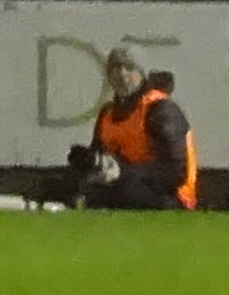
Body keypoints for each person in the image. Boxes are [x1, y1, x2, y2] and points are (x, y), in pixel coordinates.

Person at [68, 45, 198, 210]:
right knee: (89, 189)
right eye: (115, 68)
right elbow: (100, 157)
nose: (122, 74)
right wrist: (90, 163)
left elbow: (174, 173)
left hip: (172, 195)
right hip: (127, 183)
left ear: (142, 74)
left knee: (127, 190)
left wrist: (122, 172)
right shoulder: (107, 113)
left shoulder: (160, 109)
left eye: (129, 67)